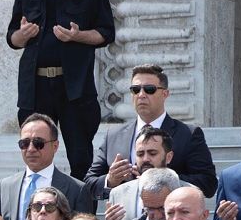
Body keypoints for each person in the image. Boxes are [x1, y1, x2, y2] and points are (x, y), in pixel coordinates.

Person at [5, 0, 114, 179]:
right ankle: (39, 208)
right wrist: (23, 34)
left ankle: (83, 214)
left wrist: (78, 36)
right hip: (36, 86)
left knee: (80, 155)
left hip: (74, 86)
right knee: (36, 152)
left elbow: (107, 33)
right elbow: (12, 39)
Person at [83, 64, 217, 202]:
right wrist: (110, 180)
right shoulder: (113, 136)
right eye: (135, 90)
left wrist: (164, 178)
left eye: (149, 90)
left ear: (165, 94)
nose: (141, 95)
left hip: (170, 218)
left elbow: (208, 184)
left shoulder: (188, 134)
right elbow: (88, 184)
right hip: (125, 218)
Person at [0, 114, 92, 220]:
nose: (31, 149)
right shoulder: (6, 186)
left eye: (38, 143)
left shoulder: (76, 189)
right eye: (24, 143)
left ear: (55, 146)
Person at [103, 126, 175, 220]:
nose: (145, 159)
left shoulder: (187, 190)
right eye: (140, 154)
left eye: (152, 153)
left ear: (168, 157)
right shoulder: (118, 193)